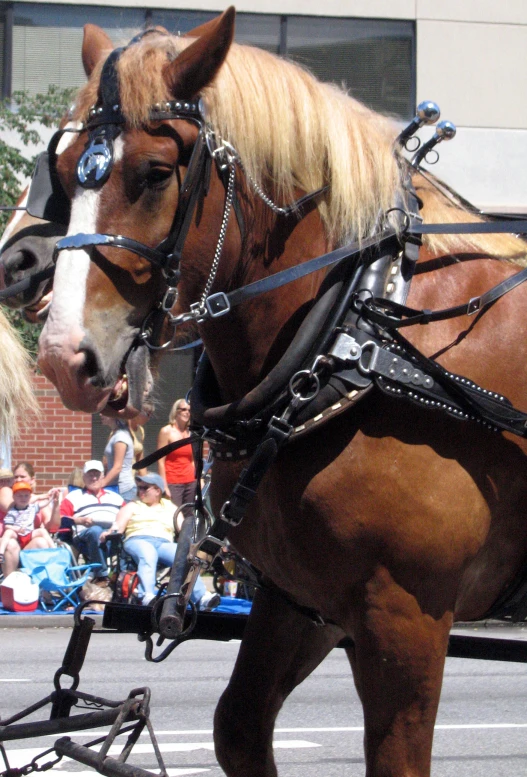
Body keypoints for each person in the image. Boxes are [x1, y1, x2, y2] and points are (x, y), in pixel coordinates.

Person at [100, 472, 220, 610]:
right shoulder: (133, 505)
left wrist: (199, 538)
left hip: (163, 543)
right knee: (148, 553)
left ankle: (201, 597)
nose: (141, 491)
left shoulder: (170, 507)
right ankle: (146, 595)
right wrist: (109, 532)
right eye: (139, 487)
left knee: (185, 555)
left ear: (158, 490)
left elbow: (184, 529)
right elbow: (118, 527)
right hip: (138, 539)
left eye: (145, 488)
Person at [59, 460, 124, 584]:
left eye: (97, 474)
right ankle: (101, 576)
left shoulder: (116, 498)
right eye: (90, 474)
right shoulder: (74, 496)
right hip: (85, 537)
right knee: (95, 531)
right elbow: (61, 519)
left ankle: (124, 580)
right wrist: (79, 520)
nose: (94, 478)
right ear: (83, 477)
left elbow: (127, 516)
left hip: (113, 535)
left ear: (103, 476)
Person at [0, 480, 61, 576]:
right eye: (20, 495)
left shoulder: (32, 507)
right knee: (8, 533)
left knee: (42, 533)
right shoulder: (12, 510)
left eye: (26, 495)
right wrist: (17, 529)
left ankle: (54, 551)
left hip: (29, 535)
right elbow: (8, 524)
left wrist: (52, 497)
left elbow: (44, 504)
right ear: (14, 497)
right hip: (17, 536)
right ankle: (1, 552)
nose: (23, 498)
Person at [157, 399, 197, 531]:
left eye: (190, 410)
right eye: (184, 409)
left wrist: (198, 479)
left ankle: (187, 546)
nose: (187, 413)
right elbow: (160, 460)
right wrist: (164, 485)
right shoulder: (166, 431)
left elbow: (192, 460)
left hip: (190, 480)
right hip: (173, 481)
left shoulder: (190, 433)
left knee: (189, 515)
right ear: (176, 412)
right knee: (175, 516)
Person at [100, 418, 138, 501]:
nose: (100, 414)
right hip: (116, 488)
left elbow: (117, 467)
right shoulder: (115, 434)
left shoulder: (121, 436)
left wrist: (102, 483)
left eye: (104, 412)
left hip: (123, 490)